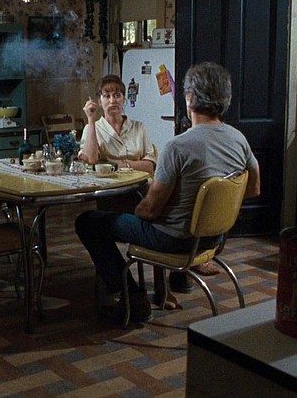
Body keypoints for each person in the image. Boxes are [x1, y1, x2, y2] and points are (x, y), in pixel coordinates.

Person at [74, 62, 261, 323]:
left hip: (172, 239)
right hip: (214, 238)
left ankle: (132, 297)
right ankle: (170, 284)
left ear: (190, 98)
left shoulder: (177, 147)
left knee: (87, 222)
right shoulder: (239, 139)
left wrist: (139, 210)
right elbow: (253, 188)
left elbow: (149, 210)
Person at [78, 74, 156, 173]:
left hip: (139, 181)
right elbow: (90, 161)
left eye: (117, 95)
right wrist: (91, 119)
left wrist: (120, 165)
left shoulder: (139, 127)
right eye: (107, 96)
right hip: (108, 181)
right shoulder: (91, 128)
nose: (112, 101)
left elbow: (150, 166)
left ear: (123, 99)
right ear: (100, 101)